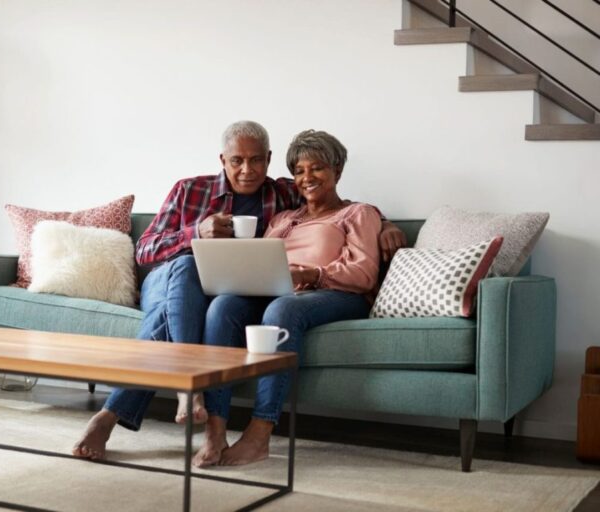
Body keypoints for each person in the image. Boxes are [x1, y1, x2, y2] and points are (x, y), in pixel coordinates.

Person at [73, 122, 405, 461]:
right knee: (195, 278)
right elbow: (144, 251)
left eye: (257, 160)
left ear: (269, 160)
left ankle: (152, 414)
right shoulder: (195, 191)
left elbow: (348, 215)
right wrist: (195, 234)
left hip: (289, 292)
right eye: (237, 161)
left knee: (223, 306)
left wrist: (386, 224)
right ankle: (200, 405)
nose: (247, 170)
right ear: (223, 160)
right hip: (170, 277)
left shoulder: (285, 196)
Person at [192, 129, 383, 468]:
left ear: (337, 171)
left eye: (317, 168)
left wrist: (310, 275)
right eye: (299, 171)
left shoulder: (358, 214)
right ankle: (215, 427)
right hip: (280, 291)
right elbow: (261, 260)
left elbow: (364, 273)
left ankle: (260, 434)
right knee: (224, 306)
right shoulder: (282, 218)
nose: (307, 178)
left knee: (283, 308)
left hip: (336, 294)